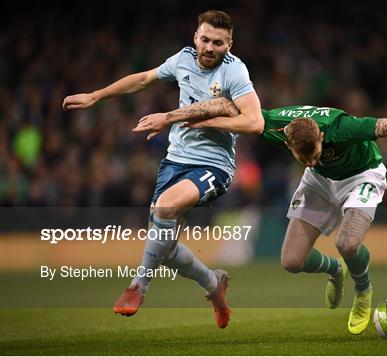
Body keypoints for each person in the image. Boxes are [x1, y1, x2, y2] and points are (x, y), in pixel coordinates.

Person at [132, 98, 387, 334]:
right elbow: (229, 105)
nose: (310, 160)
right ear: (289, 144)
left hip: (361, 176)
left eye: (315, 154)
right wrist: (174, 117)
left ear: (321, 138)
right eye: (303, 158)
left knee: (348, 243)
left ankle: (363, 290)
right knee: (291, 262)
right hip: (321, 182)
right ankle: (336, 270)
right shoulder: (277, 126)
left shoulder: (342, 126)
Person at [62, 10, 264, 328]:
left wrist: (184, 117)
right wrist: (95, 95)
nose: (210, 47)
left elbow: (255, 122)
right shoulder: (182, 59)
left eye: (219, 42)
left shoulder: (234, 72)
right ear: (195, 37)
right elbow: (143, 79)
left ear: (229, 44)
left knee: (166, 208)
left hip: (213, 164)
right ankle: (213, 284)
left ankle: (137, 286)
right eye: (205, 39)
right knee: (165, 247)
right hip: (174, 161)